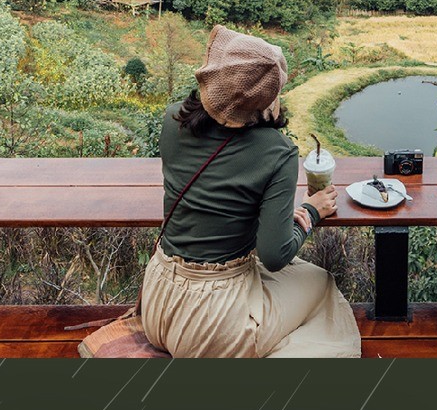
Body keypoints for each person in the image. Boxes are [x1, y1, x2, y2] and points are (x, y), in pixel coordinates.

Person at [138, 26, 361, 359]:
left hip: (158, 302)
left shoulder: (172, 119)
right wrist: (311, 211)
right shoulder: (278, 152)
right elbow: (273, 256)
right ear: (267, 99)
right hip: (212, 325)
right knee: (320, 282)